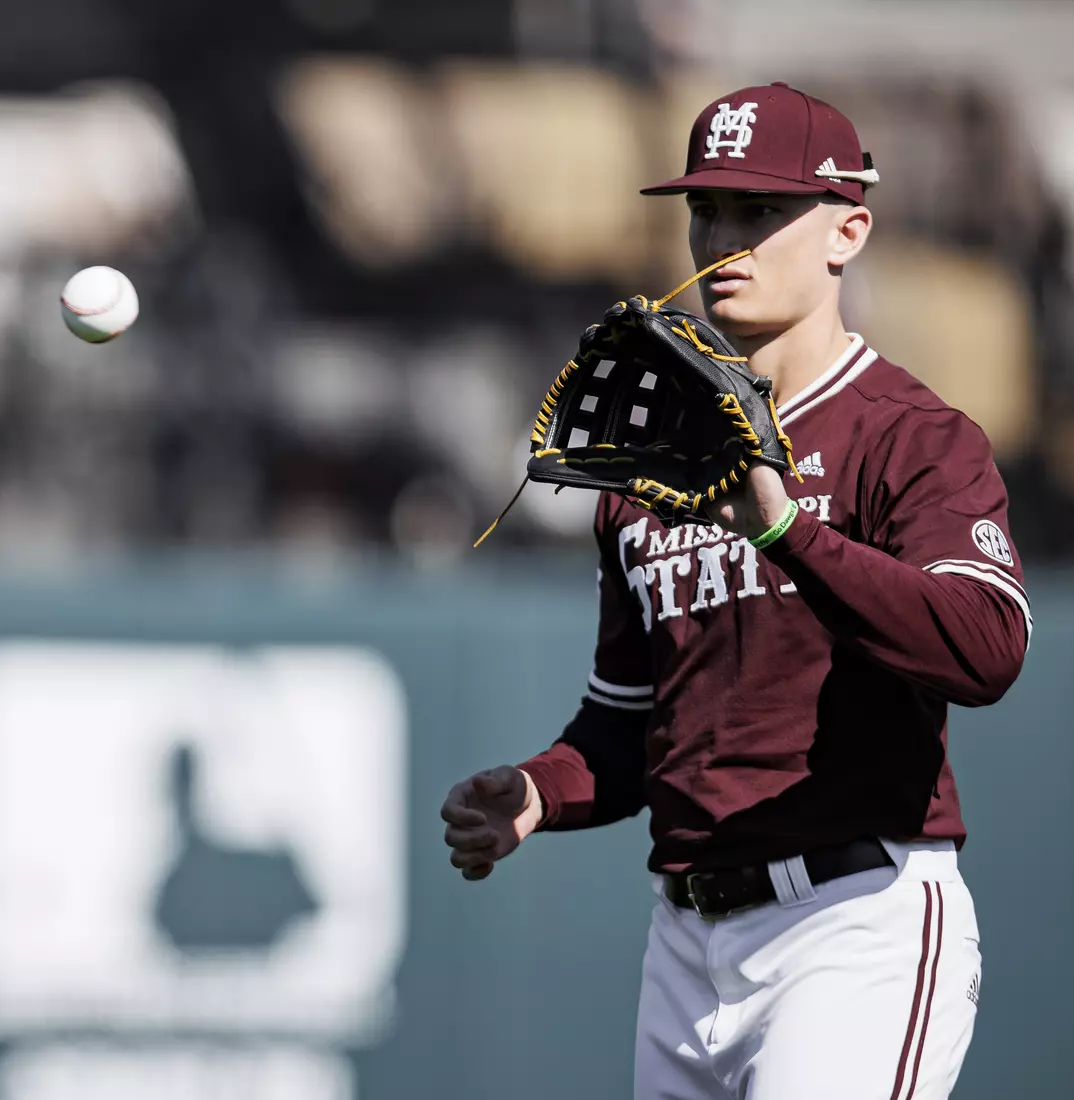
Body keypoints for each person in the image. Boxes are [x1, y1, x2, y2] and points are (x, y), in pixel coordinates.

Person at [441, 83, 1029, 1100]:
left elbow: (985, 647)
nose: (725, 239)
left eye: (761, 212)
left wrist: (788, 530)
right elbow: (629, 725)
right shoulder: (654, 468)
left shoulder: (910, 436)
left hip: (853, 921)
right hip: (686, 942)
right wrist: (541, 787)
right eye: (707, 211)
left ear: (848, 231)